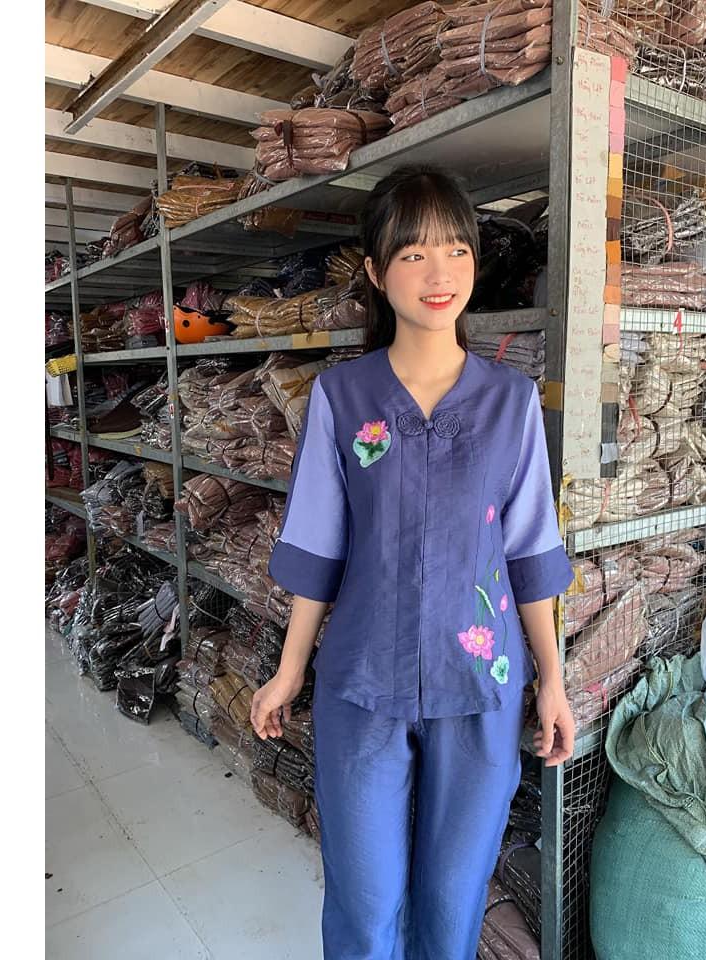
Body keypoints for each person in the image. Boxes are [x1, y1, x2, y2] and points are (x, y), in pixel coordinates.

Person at [251, 163, 576, 959]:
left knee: (453, 901)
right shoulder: (342, 399)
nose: (440, 274)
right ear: (375, 271)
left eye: (456, 250)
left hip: (481, 684)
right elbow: (318, 543)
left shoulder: (511, 401)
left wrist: (553, 681)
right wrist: (290, 672)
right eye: (414, 254)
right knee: (365, 903)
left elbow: (530, 547)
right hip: (364, 680)